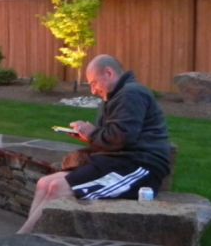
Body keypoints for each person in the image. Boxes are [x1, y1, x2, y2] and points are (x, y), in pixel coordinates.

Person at [18, 54, 172, 234]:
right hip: (116, 160)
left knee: (58, 188)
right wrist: (87, 136)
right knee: (44, 183)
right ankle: (24, 238)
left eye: (94, 83)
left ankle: (21, 240)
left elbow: (122, 137)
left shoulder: (131, 93)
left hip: (140, 166)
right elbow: (112, 139)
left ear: (109, 73)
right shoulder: (114, 97)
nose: (93, 90)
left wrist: (91, 132)